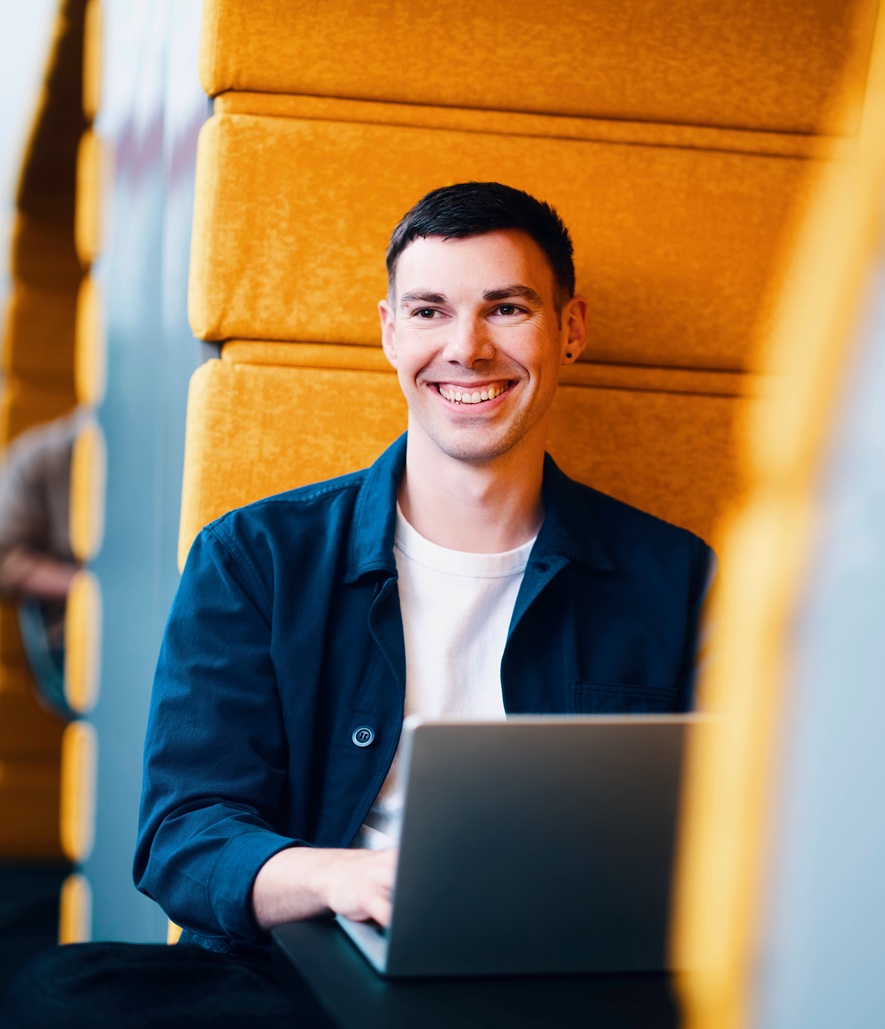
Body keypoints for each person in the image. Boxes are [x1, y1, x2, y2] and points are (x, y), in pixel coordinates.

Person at [0, 182, 714, 1027]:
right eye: (429, 311)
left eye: (507, 308)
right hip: (299, 973)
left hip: (568, 979)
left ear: (569, 329)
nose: (467, 346)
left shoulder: (673, 575)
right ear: (388, 332)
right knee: (57, 993)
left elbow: (730, 828)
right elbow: (184, 835)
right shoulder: (256, 555)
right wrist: (343, 875)